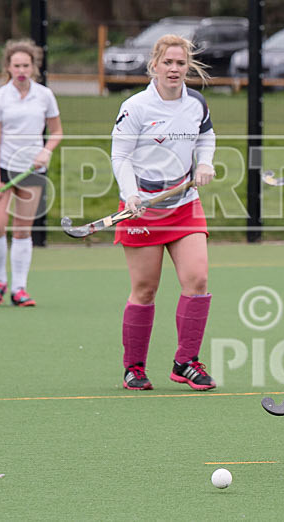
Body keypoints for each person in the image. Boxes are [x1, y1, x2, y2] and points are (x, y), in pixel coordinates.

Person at [111, 34, 217, 392]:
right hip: (142, 208)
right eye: (167, 62)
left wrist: (205, 163)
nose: (174, 69)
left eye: (180, 63)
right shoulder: (136, 107)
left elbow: (206, 136)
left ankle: (186, 362)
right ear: (154, 64)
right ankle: (134, 367)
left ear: (188, 66)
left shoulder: (196, 102)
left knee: (197, 279)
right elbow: (120, 156)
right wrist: (131, 195)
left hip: (184, 204)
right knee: (145, 289)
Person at [0, 39, 63, 307]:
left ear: (33, 67)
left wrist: (46, 151)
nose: (21, 71)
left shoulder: (44, 96)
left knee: (21, 231)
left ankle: (19, 288)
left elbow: (57, 132)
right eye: (16, 65)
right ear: (8, 67)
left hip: (32, 170)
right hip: (4, 168)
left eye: (26, 66)